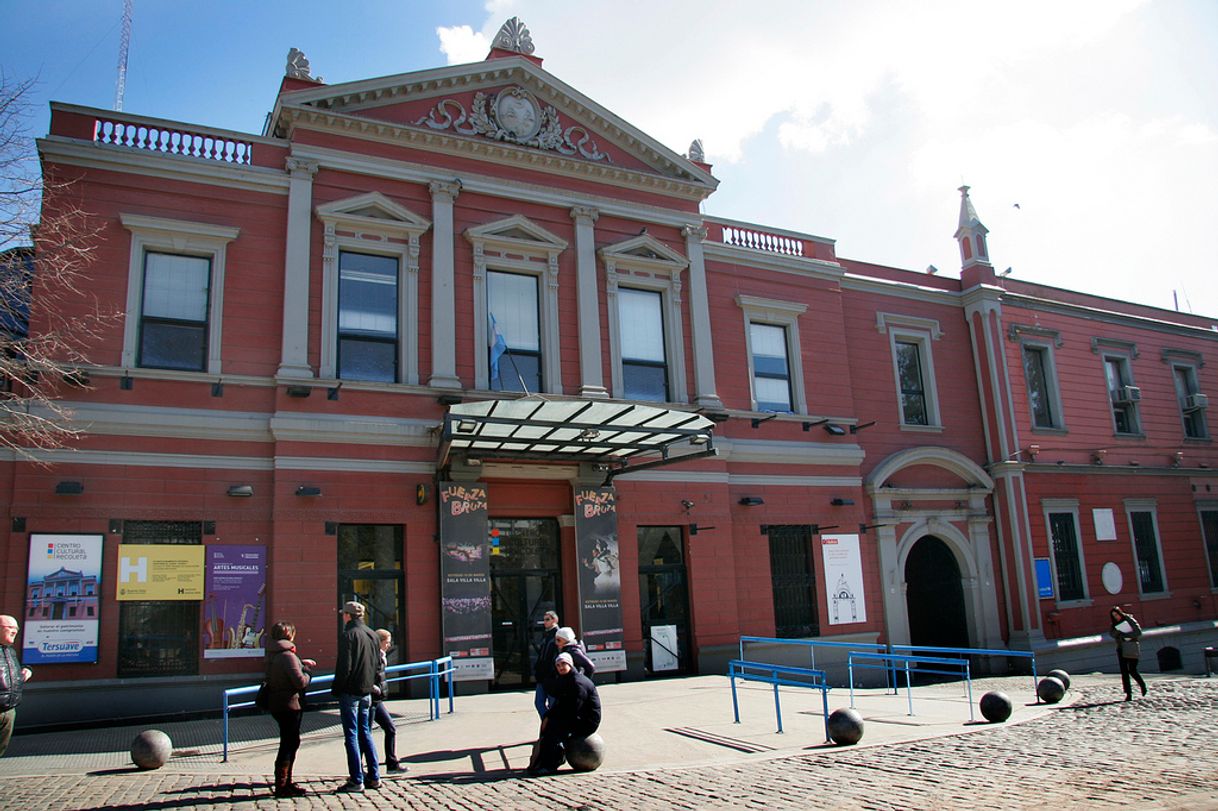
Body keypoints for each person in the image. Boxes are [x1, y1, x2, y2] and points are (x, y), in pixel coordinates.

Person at [332, 601, 381, 792]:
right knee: (365, 733)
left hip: (351, 691)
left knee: (351, 735)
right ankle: (374, 776)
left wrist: (337, 688)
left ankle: (356, 779)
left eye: (343, 613)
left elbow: (345, 667)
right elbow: (377, 664)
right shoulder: (372, 634)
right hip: (366, 691)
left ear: (348, 615)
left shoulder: (349, 635)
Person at [526, 652, 601, 776]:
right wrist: (548, 717)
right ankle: (542, 762)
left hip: (587, 722)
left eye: (563, 664)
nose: (560, 667)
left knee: (553, 732)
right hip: (577, 716)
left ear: (570, 665)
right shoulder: (566, 679)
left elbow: (573, 708)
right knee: (550, 726)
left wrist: (554, 720)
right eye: (558, 665)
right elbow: (562, 704)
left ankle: (550, 764)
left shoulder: (577, 683)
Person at [264, 621, 316, 797]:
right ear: (289, 635)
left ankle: (286, 782)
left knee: (289, 742)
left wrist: (300, 663)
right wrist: (307, 672)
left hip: (277, 703)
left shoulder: (273, 653)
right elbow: (299, 681)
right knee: (289, 743)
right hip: (289, 704)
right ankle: (283, 784)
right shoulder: (287, 655)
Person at [368, 628, 405, 775]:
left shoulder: (382, 655)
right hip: (372, 700)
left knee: (390, 728)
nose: (389, 645)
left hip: (377, 700)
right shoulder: (373, 656)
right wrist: (374, 688)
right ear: (380, 642)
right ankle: (364, 768)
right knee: (366, 733)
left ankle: (391, 763)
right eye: (387, 642)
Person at [1, 615, 33, 758]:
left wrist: (25, 671)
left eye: (16, 628)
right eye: (10, 627)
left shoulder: (9, 651)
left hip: (8, 710)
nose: (15, 631)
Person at [1109, 606, 1148, 701]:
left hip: (1131, 647)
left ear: (1120, 613)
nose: (1116, 617)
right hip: (1121, 649)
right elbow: (1112, 634)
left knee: (1133, 670)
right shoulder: (1114, 624)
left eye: (1117, 614)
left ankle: (1142, 685)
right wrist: (1118, 630)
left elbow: (1138, 632)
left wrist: (1125, 635)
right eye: (1114, 616)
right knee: (1124, 672)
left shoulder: (1129, 619)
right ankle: (1128, 694)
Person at [533, 610, 559, 718]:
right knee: (539, 703)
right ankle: (547, 724)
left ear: (555, 620)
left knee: (553, 703)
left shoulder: (558, 635)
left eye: (547, 619)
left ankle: (553, 726)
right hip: (542, 675)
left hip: (551, 676)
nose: (545, 622)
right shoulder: (546, 635)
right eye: (544, 620)